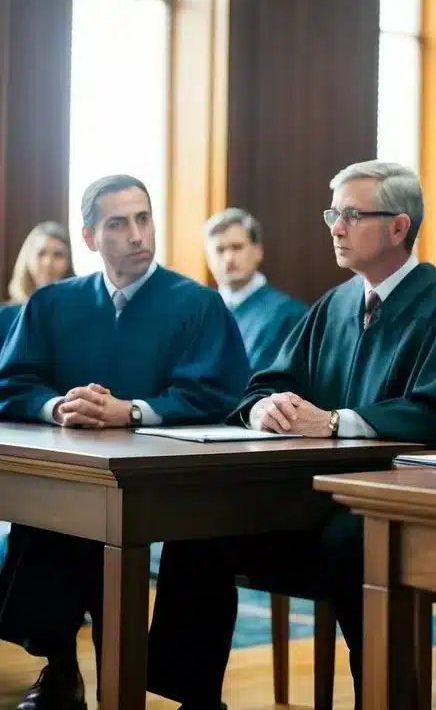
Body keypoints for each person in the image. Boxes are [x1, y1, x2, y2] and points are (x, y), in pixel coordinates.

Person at [146, 161, 436, 710]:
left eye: (351, 215)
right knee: (200, 528)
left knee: (353, 544)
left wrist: (337, 422)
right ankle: (195, 699)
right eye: (332, 214)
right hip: (313, 501)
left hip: (406, 509)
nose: (335, 227)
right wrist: (264, 407)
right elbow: (266, 382)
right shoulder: (334, 304)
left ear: (398, 227)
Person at [0, 175, 250, 710]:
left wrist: (131, 411)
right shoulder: (51, 305)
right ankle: (60, 670)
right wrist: (56, 407)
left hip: (176, 478)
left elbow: (220, 393)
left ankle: (197, 694)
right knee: (56, 509)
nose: (137, 235)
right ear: (89, 238)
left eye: (144, 219)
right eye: (118, 224)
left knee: (200, 538)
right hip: (87, 473)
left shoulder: (197, 305)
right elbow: (12, 382)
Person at [203, 207, 307, 373]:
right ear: (208, 259)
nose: (229, 258)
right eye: (220, 250)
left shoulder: (289, 315)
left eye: (237, 247)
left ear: (258, 252)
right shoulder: (201, 313)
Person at [0, 221, 74, 343]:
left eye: (58, 255)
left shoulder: (77, 315)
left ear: (68, 263)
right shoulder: (5, 317)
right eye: (41, 253)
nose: (48, 262)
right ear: (27, 260)